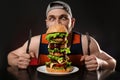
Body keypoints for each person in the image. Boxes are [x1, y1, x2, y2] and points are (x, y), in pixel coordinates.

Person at [7, 1, 116, 71]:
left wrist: (101, 63)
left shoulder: (85, 42)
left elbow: (112, 62)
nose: (57, 23)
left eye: (63, 18)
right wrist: (18, 62)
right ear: (46, 23)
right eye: (52, 18)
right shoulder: (36, 42)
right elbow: (11, 56)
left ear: (72, 22)